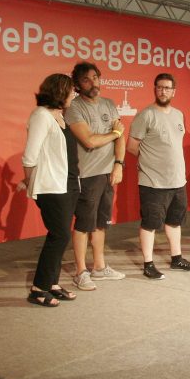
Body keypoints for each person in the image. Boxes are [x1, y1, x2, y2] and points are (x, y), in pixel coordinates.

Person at [128, 73, 190, 280]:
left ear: (173, 92)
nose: (163, 91)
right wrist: (151, 163)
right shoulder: (146, 115)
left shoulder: (178, 114)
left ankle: (176, 259)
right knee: (150, 223)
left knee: (175, 221)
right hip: (153, 181)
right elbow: (132, 147)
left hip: (177, 180)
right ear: (155, 89)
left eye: (167, 88)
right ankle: (148, 264)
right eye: (159, 87)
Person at [66, 62, 127, 291]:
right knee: (84, 224)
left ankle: (99, 267)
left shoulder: (109, 104)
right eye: (86, 80)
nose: (93, 83)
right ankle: (81, 271)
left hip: (108, 172)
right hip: (87, 174)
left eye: (95, 78)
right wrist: (114, 132)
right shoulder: (74, 108)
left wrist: (119, 164)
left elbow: (121, 137)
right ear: (77, 85)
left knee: (101, 223)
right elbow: (89, 141)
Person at [20, 73, 79, 307]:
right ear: (59, 92)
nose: (74, 94)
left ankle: (52, 284)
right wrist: (30, 181)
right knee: (59, 235)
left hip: (68, 184)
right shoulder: (41, 116)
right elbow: (30, 155)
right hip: (51, 186)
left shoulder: (59, 116)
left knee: (61, 236)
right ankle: (38, 288)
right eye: (71, 90)